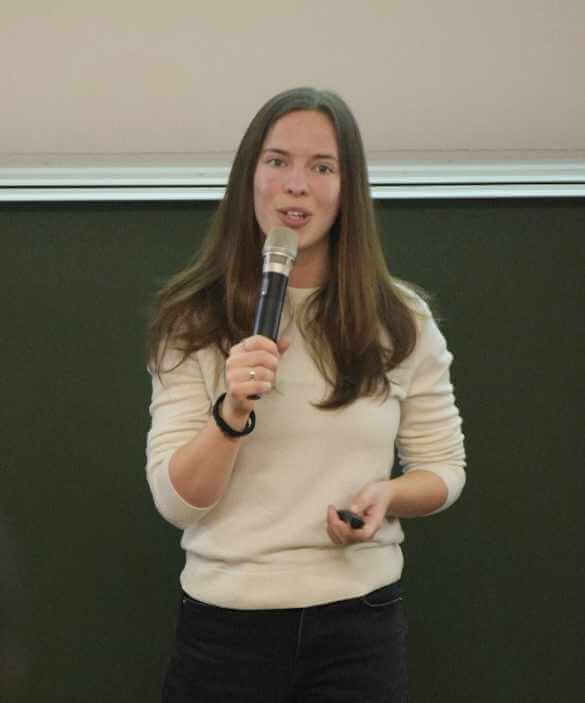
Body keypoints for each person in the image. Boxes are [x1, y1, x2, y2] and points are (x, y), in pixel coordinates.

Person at [145, 87, 466, 702]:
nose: (297, 186)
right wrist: (232, 412)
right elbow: (178, 502)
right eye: (278, 161)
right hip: (224, 632)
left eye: (322, 167)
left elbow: (445, 469)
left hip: (358, 629)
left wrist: (388, 495)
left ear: (348, 191)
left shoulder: (399, 319)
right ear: (250, 176)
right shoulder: (193, 319)